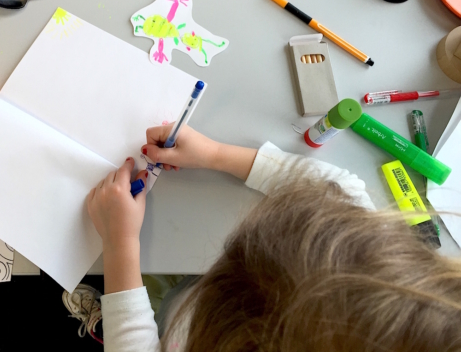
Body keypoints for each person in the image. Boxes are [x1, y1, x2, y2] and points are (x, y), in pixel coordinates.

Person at [64, 125, 461, 351]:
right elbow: (339, 186)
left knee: (164, 302)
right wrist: (216, 155)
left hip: (174, 330)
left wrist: (119, 245)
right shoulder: (370, 265)